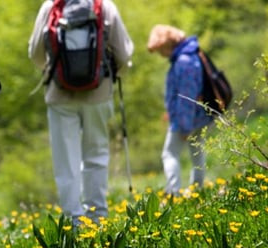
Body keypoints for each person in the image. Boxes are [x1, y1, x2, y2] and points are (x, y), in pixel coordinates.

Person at [28, 0, 134, 226]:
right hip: (98, 92)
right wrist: (112, 74)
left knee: (66, 161)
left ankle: (73, 221)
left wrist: (55, 70)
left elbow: (35, 52)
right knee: (96, 155)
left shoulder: (50, 7)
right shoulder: (105, 6)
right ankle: (97, 218)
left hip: (60, 94)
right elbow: (124, 54)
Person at [147, 24, 212, 198]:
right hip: (198, 116)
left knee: (169, 153)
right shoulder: (190, 55)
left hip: (189, 118)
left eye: (161, 51)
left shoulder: (184, 61)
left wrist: (184, 126)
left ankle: (173, 193)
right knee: (197, 149)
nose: (161, 55)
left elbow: (186, 96)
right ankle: (198, 189)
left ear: (167, 45)